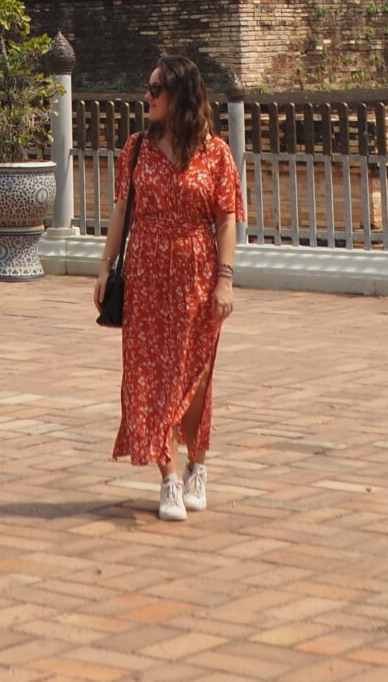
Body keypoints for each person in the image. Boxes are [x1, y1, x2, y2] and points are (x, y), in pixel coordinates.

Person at [95, 52, 243, 523]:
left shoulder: (215, 153)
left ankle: (197, 464)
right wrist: (103, 268)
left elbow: (226, 220)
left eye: (157, 89)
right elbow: (123, 211)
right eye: (149, 87)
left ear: (180, 94)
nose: (148, 97)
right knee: (151, 377)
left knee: (193, 376)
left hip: (198, 276)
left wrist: (224, 280)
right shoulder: (136, 148)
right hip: (145, 276)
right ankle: (169, 478)